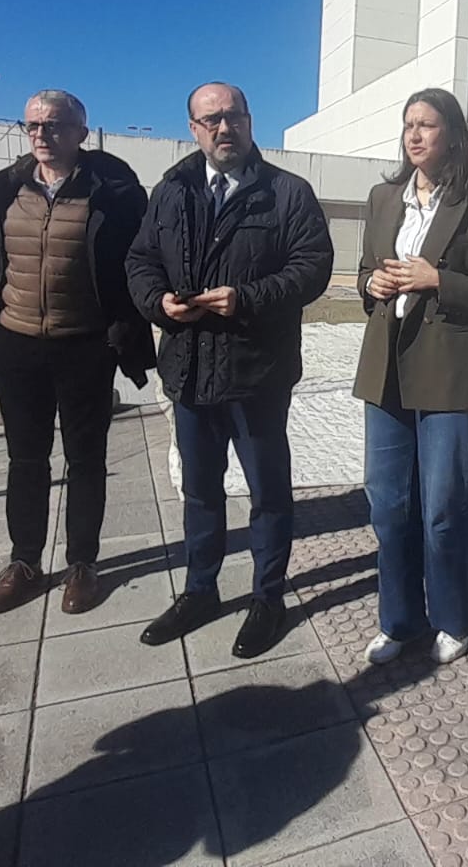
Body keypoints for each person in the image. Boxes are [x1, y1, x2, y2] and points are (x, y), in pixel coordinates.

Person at [128, 82, 332, 657]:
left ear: (249, 121)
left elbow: (311, 268)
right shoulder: (172, 190)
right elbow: (140, 259)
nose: (224, 128)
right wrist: (157, 302)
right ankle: (200, 590)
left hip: (257, 372)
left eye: (234, 117)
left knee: (267, 493)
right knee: (200, 491)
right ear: (192, 129)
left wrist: (245, 297)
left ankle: (268, 598)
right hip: (190, 369)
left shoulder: (287, 193)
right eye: (210, 119)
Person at [355, 87, 468, 666]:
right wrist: (369, 285)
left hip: (448, 372)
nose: (414, 135)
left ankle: (453, 617)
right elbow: (364, 270)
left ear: (451, 132)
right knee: (386, 505)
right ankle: (399, 622)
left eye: (426, 124)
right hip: (385, 373)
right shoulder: (382, 199)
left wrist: (438, 280)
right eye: (407, 125)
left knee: (444, 508)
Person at [0, 89, 154, 616]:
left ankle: (83, 565)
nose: (41, 136)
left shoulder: (114, 192)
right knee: (25, 461)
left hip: (84, 348)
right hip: (18, 346)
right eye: (32, 126)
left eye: (53, 126)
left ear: (81, 132)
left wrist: (120, 332)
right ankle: (24, 563)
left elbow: (133, 264)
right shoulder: (6, 190)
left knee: (85, 462)